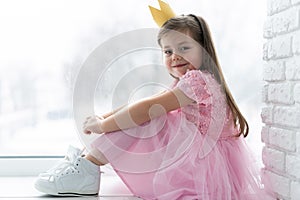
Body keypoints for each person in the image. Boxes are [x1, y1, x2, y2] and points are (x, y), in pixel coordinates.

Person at [34, 3, 272, 200]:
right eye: (167, 51)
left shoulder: (198, 81)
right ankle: (87, 163)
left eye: (184, 47)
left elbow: (147, 108)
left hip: (199, 168)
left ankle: (87, 167)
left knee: (151, 118)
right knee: (149, 113)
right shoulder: (194, 81)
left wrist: (104, 126)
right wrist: (105, 117)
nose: (174, 56)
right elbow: (149, 101)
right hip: (202, 162)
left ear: (204, 49)